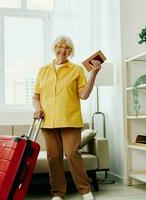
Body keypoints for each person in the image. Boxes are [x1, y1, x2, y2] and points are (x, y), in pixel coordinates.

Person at [32, 35, 101, 200]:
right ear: (54, 48)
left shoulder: (76, 70)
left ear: (71, 51)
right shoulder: (43, 70)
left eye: (67, 48)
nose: (62, 50)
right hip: (48, 121)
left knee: (71, 153)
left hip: (70, 119)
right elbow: (36, 96)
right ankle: (58, 193)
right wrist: (38, 109)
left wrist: (93, 74)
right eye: (59, 46)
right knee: (53, 157)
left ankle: (85, 190)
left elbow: (83, 95)